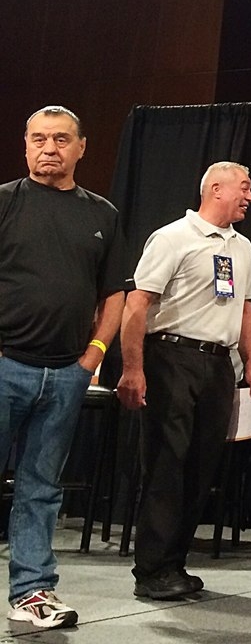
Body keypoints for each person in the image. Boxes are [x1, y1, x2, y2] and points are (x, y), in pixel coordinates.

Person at [0, 106, 130, 629]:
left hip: (66, 376)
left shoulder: (102, 215)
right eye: (38, 138)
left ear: (81, 148)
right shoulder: (5, 202)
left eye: (59, 139)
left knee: (41, 488)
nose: (48, 148)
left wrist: (93, 356)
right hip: (6, 366)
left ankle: (32, 592)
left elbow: (115, 293)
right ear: (25, 144)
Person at [117, 161, 251, 600]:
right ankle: (151, 571)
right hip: (172, 357)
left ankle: (174, 564)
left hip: (218, 365)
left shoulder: (243, 247)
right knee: (167, 463)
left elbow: (245, 308)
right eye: (244, 188)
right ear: (215, 189)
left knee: (201, 467)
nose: (250, 197)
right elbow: (138, 304)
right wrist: (133, 368)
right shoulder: (173, 238)